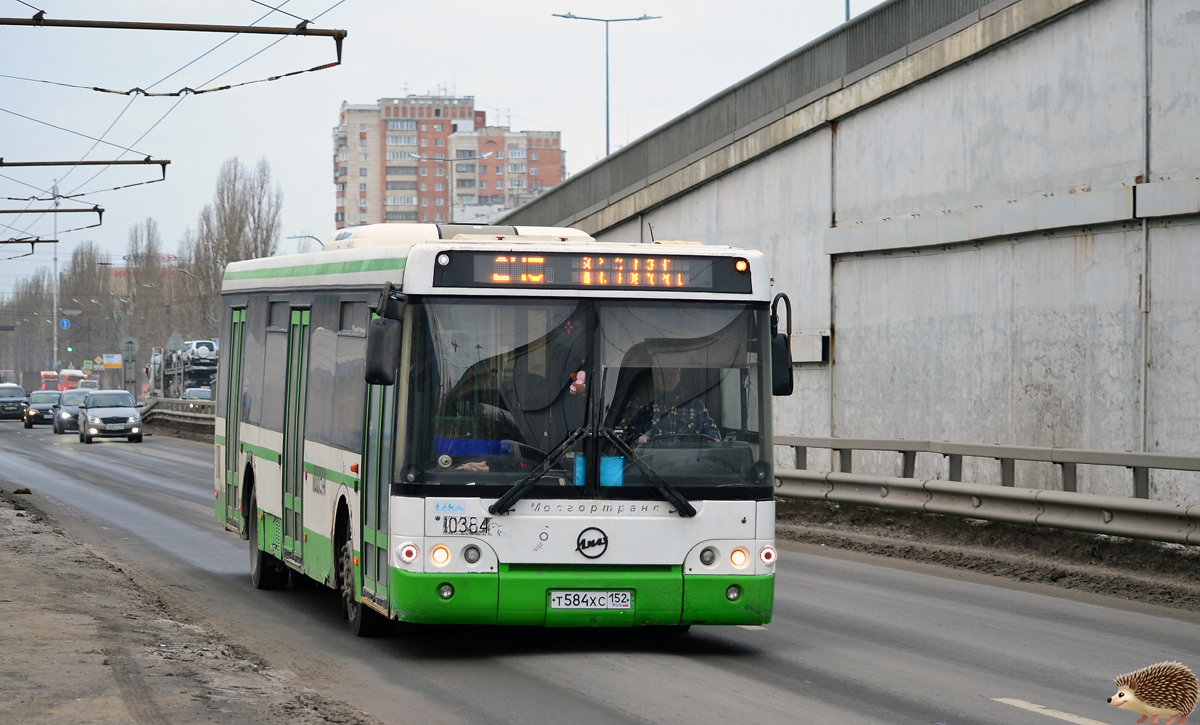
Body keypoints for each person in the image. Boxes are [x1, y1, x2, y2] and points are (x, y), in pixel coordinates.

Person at [622, 366, 720, 444]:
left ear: (679, 376)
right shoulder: (641, 402)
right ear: (654, 376)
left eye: (673, 372)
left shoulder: (694, 404)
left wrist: (713, 439)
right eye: (662, 373)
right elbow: (626, 429)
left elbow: (709, 429)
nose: (667, 378)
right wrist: (638, 437)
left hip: (686, 464)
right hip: (646, 464)